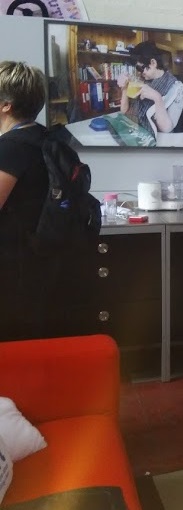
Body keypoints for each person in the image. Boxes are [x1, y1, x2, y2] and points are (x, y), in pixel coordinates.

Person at [0, 61, 58, 340]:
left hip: (13, 269)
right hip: (41, 261)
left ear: (6, 105)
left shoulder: (10, 147)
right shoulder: (47, 138)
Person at [117, 41, 183, 138]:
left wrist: (157, 98)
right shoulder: (141, 81)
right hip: (134, 133)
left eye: (140, 68)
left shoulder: (176, 88)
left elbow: (167, 129)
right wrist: (124, 89)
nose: (139, 73)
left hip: (157, 140)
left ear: (153, 63)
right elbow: (125, 112)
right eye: (137, 69)